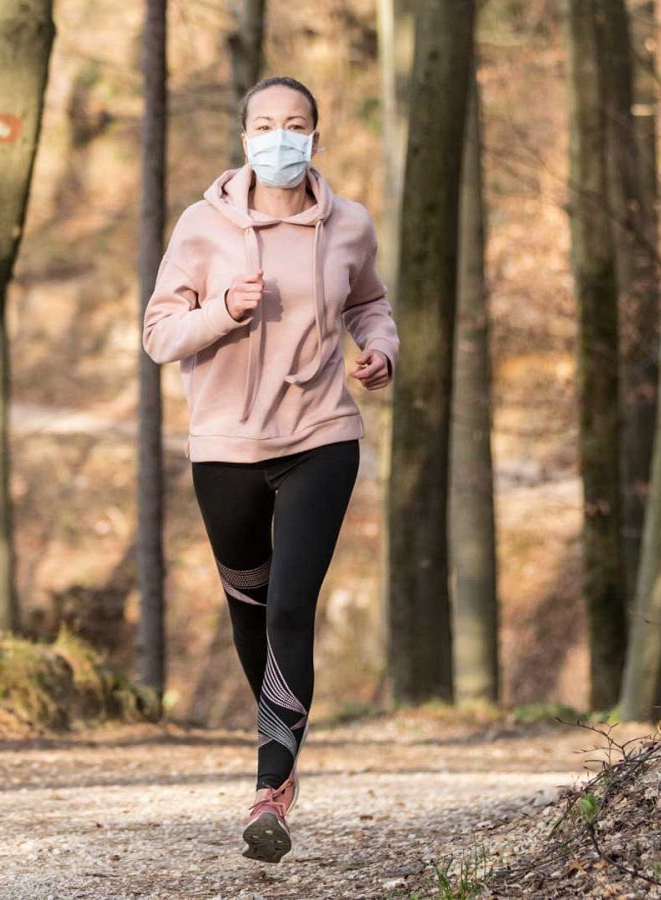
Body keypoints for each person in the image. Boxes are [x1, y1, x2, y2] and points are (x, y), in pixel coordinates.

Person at [140, 75, 398, 864]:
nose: (279, 137)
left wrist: (380, 349)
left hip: (321, 436)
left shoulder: (348, 224)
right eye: (264, 124)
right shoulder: (200, 226)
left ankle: (271, 788)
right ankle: (279, 735)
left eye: (295, 124)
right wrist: (224, 311)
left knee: (290, 605)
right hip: (225, 448)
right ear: (244, 134)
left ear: (316, 136)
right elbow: (159, 334)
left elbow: (369, 303)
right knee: (249, 609)